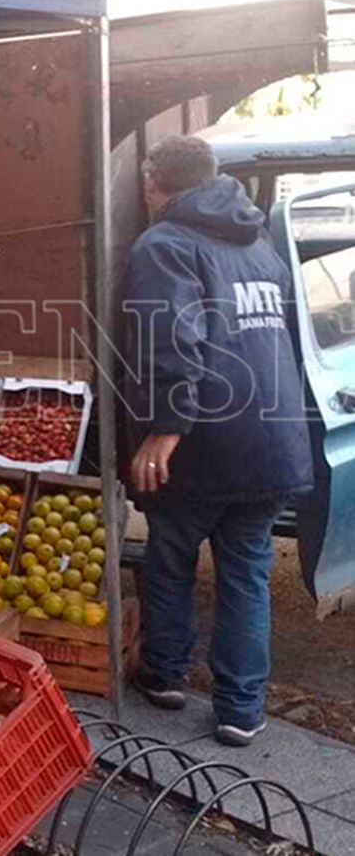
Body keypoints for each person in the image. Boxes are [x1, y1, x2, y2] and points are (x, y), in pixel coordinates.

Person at [124, 135, 313, 747]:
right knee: (247, 573)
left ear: (155, 181)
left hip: (205, 443)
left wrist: (164, 430)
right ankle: (239, 710)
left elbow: (172, 340)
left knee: (172, 558)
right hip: (273, 443)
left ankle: (164, 673)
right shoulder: (258, 242)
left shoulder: (165, 244)